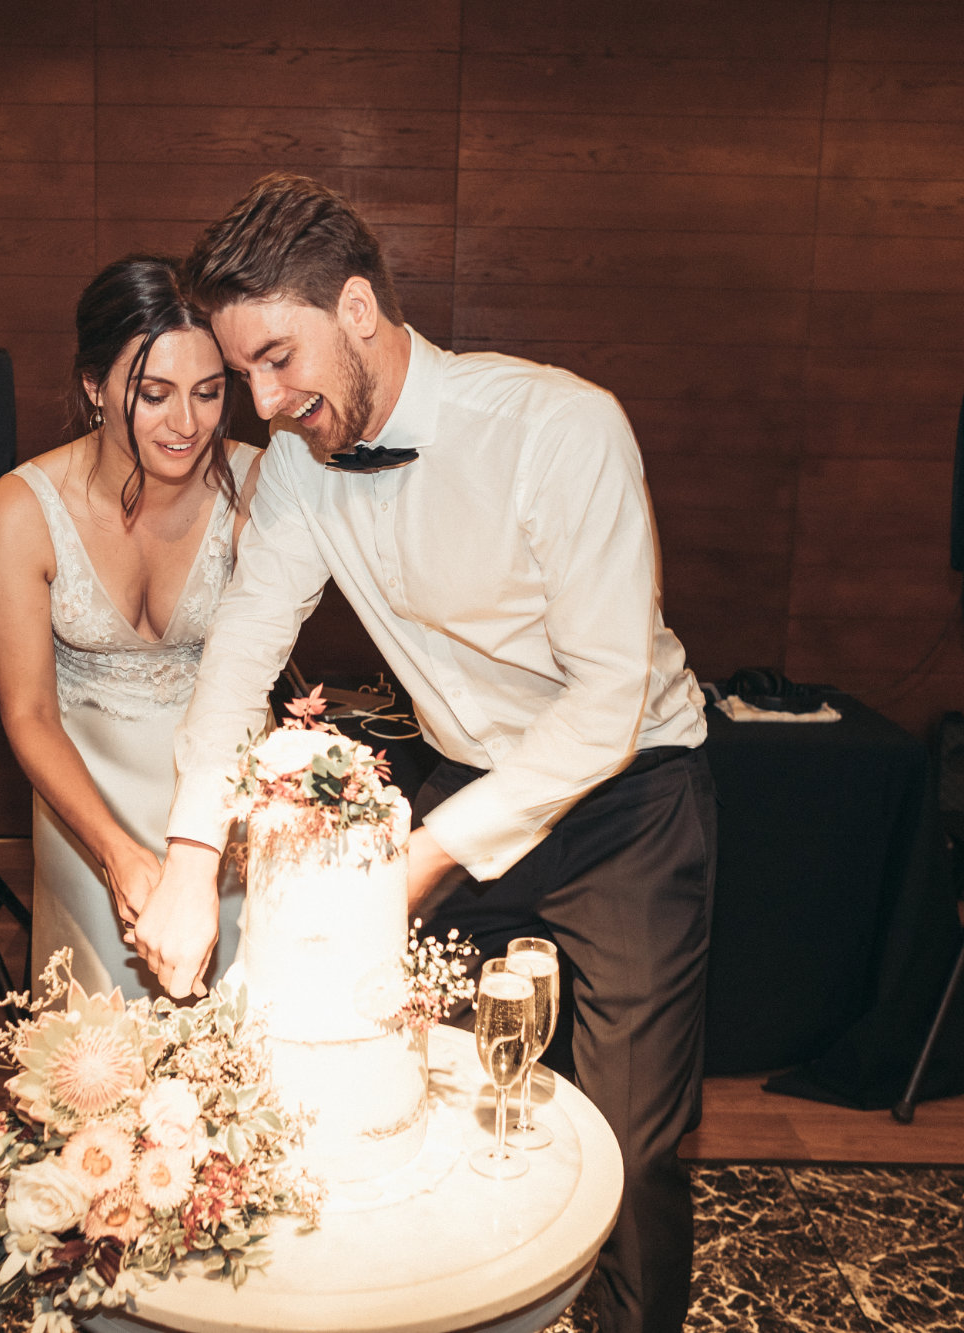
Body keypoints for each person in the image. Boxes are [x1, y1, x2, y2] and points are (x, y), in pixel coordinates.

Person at [131, 174, 717, 1333]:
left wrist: (408, 868)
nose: (261, 400)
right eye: (245, 371)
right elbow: (242, 655)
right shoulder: (303, 464)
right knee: (394, 1093)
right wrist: (194, 855)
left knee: (634, 1140)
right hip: (460, 781)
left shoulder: (561, 428)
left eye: (277, 360)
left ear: (356, 310)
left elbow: (604, 706)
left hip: (630, 795)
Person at [0, 255, 259, 1000]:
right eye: (155, 395)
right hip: (83, 806)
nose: (187, 424)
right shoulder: (19, 512)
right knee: (100, 1059)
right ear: (95, 386)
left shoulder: (259, 485)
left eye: (208, 393)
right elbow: (28, 713)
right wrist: (117, 854)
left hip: (224, 807)